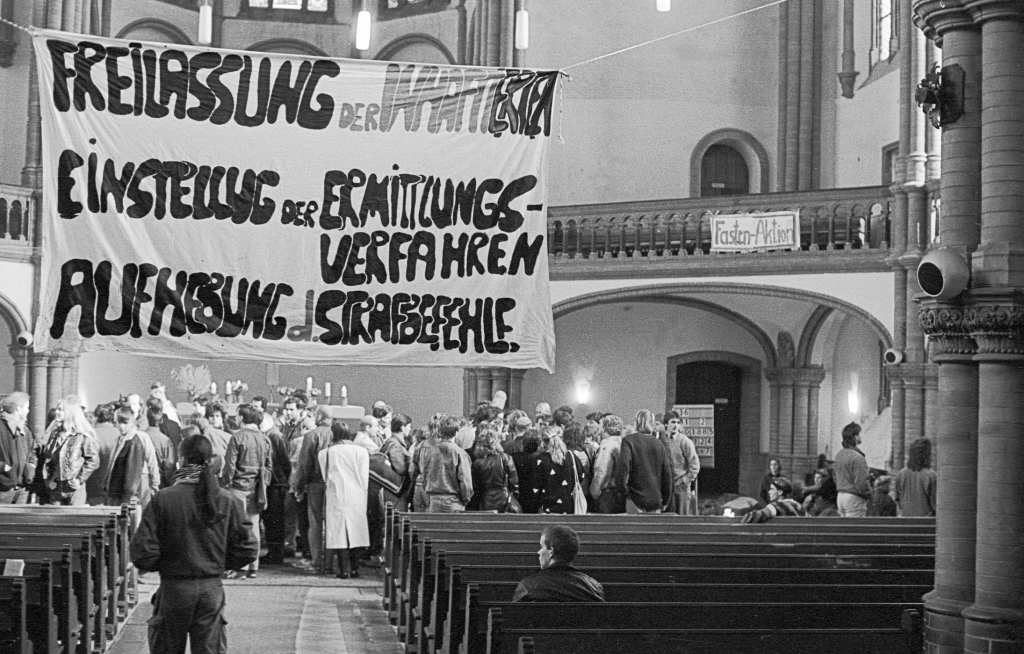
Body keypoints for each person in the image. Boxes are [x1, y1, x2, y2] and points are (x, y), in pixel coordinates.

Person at [130, 433, 259, 654]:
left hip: (174, 588)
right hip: (211, 588)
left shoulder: (164, 498)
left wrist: (164, 564)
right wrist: (219, 562)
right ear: (210, 461)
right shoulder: (227, 500)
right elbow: (248, 549)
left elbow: (142, 551)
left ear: (181, 460)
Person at [221, 404, 272, 579]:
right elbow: (269, 466)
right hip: (256, 488)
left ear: (242, 417)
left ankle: (239, 567)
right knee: (254, 527)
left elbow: (229, 465)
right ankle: (253, 567)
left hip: (237, 487)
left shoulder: (237, 437)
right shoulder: (264, 439)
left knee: (236, 528)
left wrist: (225, 483)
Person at [318, 421, 370, 578]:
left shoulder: (325, 453)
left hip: (336, 495)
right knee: (356, 532)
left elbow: (324, 476)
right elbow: (364, 478)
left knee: (339, 533)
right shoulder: (361, 452)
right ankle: (355, 569)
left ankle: (343, 570)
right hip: (357, 495)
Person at [512, 525, 605, 602]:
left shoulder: (528, 586)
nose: (539, 552)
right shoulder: (595, 588)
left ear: (551, 552)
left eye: (542, 547)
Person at [292, 406, 334, 572]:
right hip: (333, 484)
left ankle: (317, 561)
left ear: (319, 416)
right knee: (331, 523)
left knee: (315, 523)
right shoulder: (335, 433)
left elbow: (304, 464)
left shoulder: (311, 435)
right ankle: (330, 562)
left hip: (315, 484)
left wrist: (298, 486)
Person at [37, 396, 100, 505]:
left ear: (70, 413)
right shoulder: (54, 433)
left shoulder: (82, 436)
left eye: (60, 409)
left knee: (73, 520)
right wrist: (49, 478)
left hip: (74, 489)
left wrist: (79, 479)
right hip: (56, 488)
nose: (56, 412)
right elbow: (49, 458)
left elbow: (93, 460)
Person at [411, 415, 473, 513]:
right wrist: (466, 498)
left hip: (433, 500)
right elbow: (465, 480)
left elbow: (425, 475)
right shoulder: (460, 453)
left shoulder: (430, 451)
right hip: (454, 501)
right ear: (456, 432)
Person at [617, 410, 673, 513]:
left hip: (634, 498)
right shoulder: (659, 444)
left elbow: (623, 467)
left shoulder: (628, 441)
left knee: (634, 529)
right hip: (655, 499)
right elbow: (667, 473)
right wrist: (666, 500)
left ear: (636, 423)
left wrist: (623, 491)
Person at [105, 405, 148, 508]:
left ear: (132, 423)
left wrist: (126, 502)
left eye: (125, 423)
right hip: (116, 495)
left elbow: (132, 477)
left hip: (123, 498)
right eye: (118, 422)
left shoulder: (133, 442)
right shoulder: (121, 439)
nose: (121, 426)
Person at [534, 428, 582, 514]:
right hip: (569, 505)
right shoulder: (571, 456)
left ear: (544, 443)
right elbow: (581, 476)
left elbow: (536, 484)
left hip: (547, 506)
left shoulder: (541, 459)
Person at [470, 428, 520, 512]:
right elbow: (513, 481)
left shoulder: (478, 463)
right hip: (504, 497)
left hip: (486, 498)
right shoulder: (505, 458)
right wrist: (515, 495)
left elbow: (476, 486)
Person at [663, 410, 701, 515]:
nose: (676, 425)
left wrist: (685, 480)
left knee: (681, 517)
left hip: (681, 487)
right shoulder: (662, 440)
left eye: (678, 422)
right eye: (673, 422)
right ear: (666, 424)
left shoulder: (685, 441)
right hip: (666, 486)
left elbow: (695, 465)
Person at [0, 392, 34, 504]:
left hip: (22, 488)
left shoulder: (25, 430)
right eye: (27, 407)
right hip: (3, 488)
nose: (28, 411)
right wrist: (3, 467)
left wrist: (31, 466)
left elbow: (32, 451)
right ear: (19, 409)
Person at [590, 415, 627, 514]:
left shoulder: (607, 445)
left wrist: (595, 492)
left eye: (601, 425)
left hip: (607, 493)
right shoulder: (622, 443)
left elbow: (602, 470)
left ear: (606, 427)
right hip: (619, 493)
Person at [834, 422, 871, 517]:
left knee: (845, 529)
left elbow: (835, 477)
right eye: (860, 433)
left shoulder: (839, 455)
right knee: (856, 529)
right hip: (854, 497)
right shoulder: (857, 457)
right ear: (856, 436)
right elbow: (861, 483)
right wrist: (870, 494)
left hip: (840, 496)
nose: (862, 436)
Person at [86, 402, 120, 506]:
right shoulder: (119, 434)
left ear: (96, 417)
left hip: (93, 484)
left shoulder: (90, 434)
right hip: (114, 484)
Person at [894, 437, 937, 517]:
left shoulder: (901, 474)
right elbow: (935, 505)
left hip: (906, 521)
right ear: (926, 455)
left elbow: (898, 499)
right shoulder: (931, 476)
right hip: (926, 523)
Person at [741, 477, 806, 523]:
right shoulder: (800, 507)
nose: (769, 492)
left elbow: (754, 517)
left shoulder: (777, 506)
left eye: (772, 489)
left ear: (780, 492)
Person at [144, 399, 177, 488]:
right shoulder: (165, 440)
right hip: (160, 482)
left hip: (144, 481)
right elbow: (169, 466)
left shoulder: (141, 436)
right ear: (161, 420)